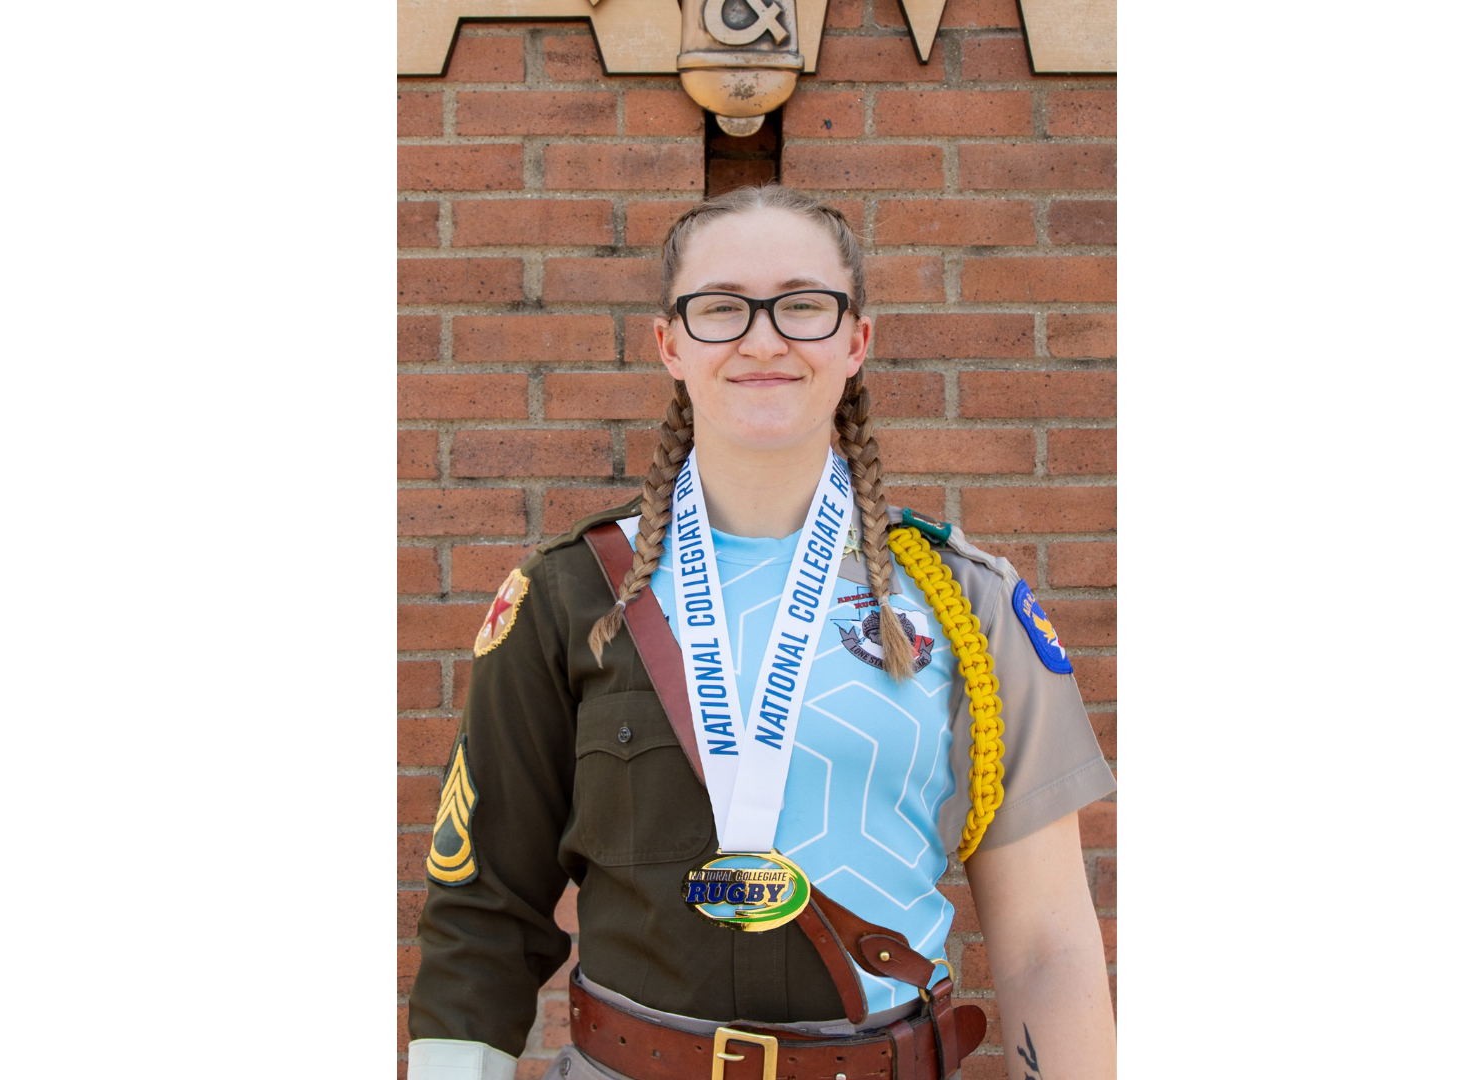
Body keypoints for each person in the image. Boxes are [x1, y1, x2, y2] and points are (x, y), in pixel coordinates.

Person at [408, 184, 1117, 1080]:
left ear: (857, 339)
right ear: (670, 343)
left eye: (803, 305)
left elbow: (1046, 944)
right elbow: (484, 915)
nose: (763, 336)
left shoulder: (964, 606)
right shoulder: (571, 595)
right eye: (720, 308)